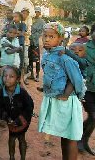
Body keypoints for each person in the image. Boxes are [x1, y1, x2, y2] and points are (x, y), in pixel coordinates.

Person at [38, 22, 86, 160]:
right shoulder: (47, 55)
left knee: (70, 136)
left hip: (66, 101)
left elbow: (76, 78)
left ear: (60, 39)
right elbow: (51, 76)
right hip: (55, 98)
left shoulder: (64, 57)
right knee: (63, 134)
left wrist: (67, 94)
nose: (47, 39)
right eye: (45, 36)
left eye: (51, 36)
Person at [0, 66, 34, 160]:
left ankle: (23, 158)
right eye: (5, 76)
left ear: (17, 79)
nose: (7, 78)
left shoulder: (22, 93)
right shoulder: (0, 93)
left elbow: (29, 106)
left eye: (11, 76)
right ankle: (11, 157)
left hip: (23, 120)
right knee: (12, 138)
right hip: (10, 120)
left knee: (21, 138)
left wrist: (20, 119)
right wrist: (5, 117)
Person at [79, 25, 95, 155]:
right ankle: (81, 141)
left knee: (94, 118)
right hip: (87, 87)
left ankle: (83, 141)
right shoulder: (83, 47)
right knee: (94, 116)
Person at [28, 7, 46, 82]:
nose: (36, 13)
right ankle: (31, 74)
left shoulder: (42, 22)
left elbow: (43, 32)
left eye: (38, 12)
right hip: (29, 42)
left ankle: (37, 75)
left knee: (37, 59)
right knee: (30, 59)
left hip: (37, 43)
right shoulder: (30, 20)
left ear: (40, 13)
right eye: (35, 11)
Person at [12, 11, 27, 85]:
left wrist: (14, 32)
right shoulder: (12, 25)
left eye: (16, 17)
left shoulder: (22, 25)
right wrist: (17, 32)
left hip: (20, 45)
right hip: (13, 45)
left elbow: (23, 33)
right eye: (13, 17)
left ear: (20, 17)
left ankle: (20, 79)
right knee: (14, 61)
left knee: (21, 62)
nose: (14, 18)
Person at [20, 7, 31, 84]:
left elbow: (28, 32)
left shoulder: (29, 21)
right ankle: (19, 78)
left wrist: (21, 32)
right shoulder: (18, 20)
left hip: (26, 43)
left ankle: (25, 77)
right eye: (23, 13)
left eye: (26, 13)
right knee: (19, 61)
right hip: (18, 43)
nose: (24, 14)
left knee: (25, 61)